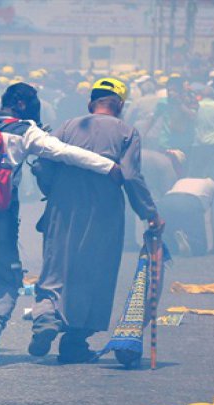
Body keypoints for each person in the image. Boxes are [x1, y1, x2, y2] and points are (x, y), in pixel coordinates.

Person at [0, 82, 125, 363]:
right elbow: (65, 152)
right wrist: (108, 166)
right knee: (7, 278)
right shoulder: (24, 130)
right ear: (22, 104)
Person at [27, 78, 161, 364]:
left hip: (62, 207)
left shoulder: (67, 127)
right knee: (95, 273)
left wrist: (53, 192)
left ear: (91, 104)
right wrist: (149, 213)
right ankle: (75, 341)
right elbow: (131, 176)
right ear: (120, 105)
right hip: (104, 211)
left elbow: (41, 165)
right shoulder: (127, 132)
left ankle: (47, 316)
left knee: (55, 268)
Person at [158, 177, 214, 257]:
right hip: (191, 202)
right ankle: (187, 240)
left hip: (167, 201)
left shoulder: (182, 180)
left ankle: (166, 244)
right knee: (200, 247)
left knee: (170, 234)